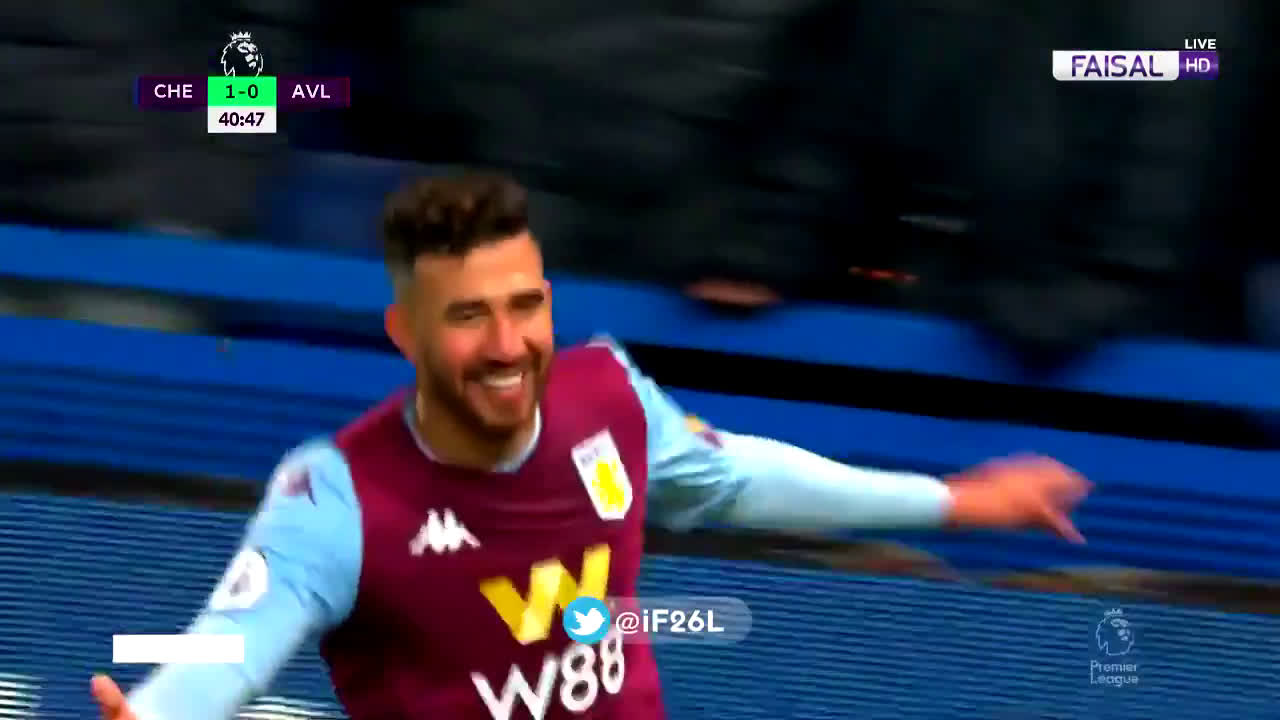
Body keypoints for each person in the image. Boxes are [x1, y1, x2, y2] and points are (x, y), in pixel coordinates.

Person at [91, 171, 1091, 720]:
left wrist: (956, 502)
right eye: (468, 317)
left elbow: (738, 478)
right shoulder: (333, 494)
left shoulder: (609, 394)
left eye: (524, 306)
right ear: (406, 335)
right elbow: (232, 648)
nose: (506, 346)